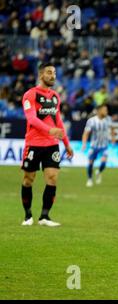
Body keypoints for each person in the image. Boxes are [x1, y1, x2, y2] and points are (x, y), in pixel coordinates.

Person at [20, 62, 74, 227]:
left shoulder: (55, 96)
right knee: (29, 179)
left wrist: (66, 143)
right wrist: (50, 130)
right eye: (49, 72)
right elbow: (31, 119)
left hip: (51, 145)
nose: (53, 76)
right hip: (33, 144)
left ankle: (44, 216)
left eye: (54, 72)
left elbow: (58, 121)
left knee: (52, 178)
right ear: (41, 75)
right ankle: (28, 215)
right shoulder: (30, 95)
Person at [81, 103, 116, 187]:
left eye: (106, 110)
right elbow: (86, 133)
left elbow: (112, 128)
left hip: (104, 146)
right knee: (90, 163)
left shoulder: (109, 119)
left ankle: (99, 171)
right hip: (94, 146)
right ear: (99, 111)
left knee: (103, 163)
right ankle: (89, 179)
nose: (106, 111)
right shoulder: (91, 121)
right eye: (104, 110)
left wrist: (113, 138)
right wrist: (84, 143)